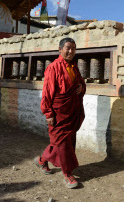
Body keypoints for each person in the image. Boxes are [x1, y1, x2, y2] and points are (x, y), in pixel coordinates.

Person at [35, 37, 86, 189]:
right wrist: (48, 113)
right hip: (58, 112)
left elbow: (80, 83)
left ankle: (41, 160)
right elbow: (47, 92)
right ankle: (68, 173)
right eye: (68, 48)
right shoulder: (53, 67)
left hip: (71, 111)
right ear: (60, 49)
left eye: (73, 49)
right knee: (63, 143)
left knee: (63, 142)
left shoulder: (74, 67)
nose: (71, 51)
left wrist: (81, 88)